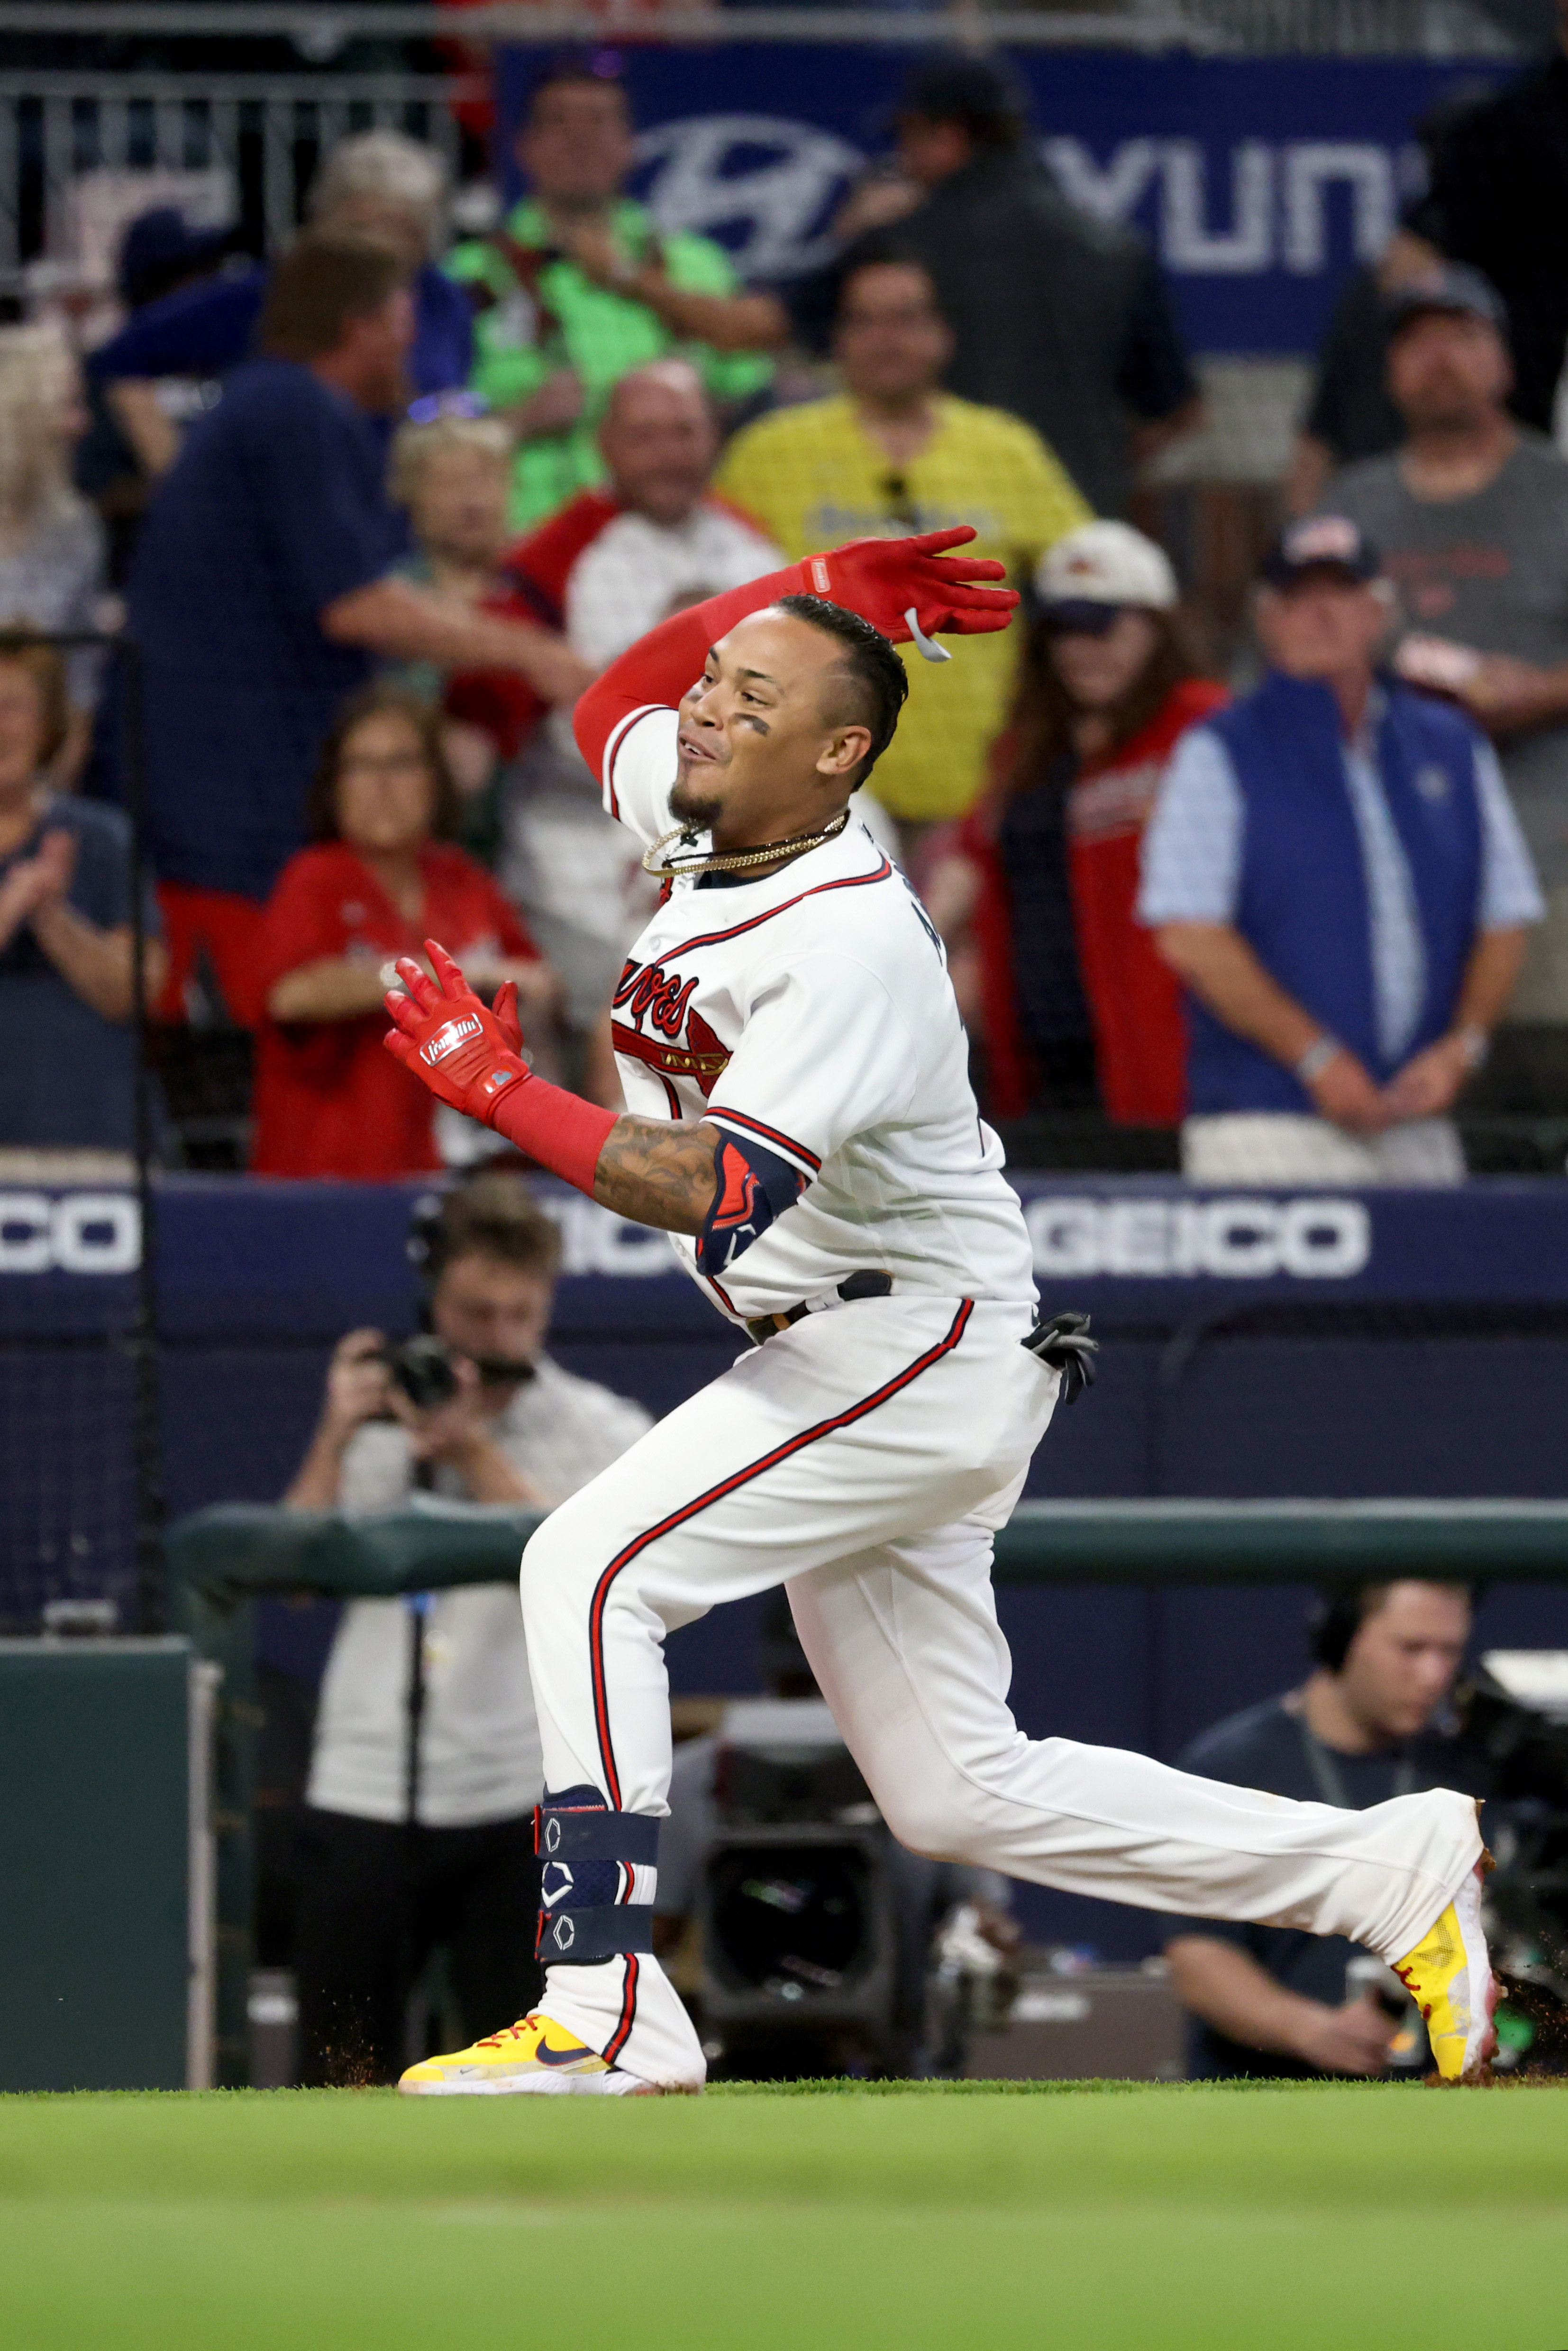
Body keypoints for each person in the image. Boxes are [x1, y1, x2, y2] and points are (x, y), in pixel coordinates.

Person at [379, 521, 1492, 2096]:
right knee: (958, 1790)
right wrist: (808, 585)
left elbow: (717, 1189)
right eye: (712, 684)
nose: (698, 710)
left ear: (838, 756)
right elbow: (602, 705)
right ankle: (1382, 1871)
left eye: (747, 699)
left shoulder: (843, 940)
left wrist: (498, 1089)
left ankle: (609, 2010)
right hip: (879, 1346)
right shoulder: (714, 804)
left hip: (905, 1340)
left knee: (586, 1564)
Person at [126, 231, 588, 1028]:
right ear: (359, 326)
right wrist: (533, 653)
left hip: (224, 778)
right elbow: (357, 604)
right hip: (239, 800)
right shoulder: (296, 408)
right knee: (275, 1019)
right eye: (405, 322)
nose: (415, 344)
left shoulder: (271, 403)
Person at [283, 1171, 652, 2086]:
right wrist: (337, 1434)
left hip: (515, 1799)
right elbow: (292, 1579)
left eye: (514, 1317)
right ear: (433, 1303)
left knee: (513, 2068)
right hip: (363, 1786)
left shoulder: (597, 1426)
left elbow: (600, 1575)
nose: (491, 1339)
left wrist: (468, 1446)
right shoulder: (382, 1415)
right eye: (471, 1313)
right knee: (339, 2068)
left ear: (546, 1307)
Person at [1139, 514, 1542, 1185]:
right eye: (1295, 598)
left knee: (1433, 1290)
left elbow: (1504, 917)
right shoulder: (1220, 749)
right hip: (1263, 1118)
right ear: (1266, 620)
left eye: (1340, 593)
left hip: (1418, 1115)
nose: (1318, 615)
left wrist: (1461, 1051)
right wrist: (1316, 1057)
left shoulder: (1451, 743)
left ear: (1379, 611)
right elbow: (1188, 933)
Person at [715, 255, 1090, 848]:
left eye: (905, 319)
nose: (885, 340)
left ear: (943, 334)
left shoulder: (1005, 450)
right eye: (864, 321)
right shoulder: (767, 454)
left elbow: (1087, 580)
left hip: (974, 796)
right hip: (810, 800)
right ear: (837, 338)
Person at [1324, 264, 1568, 1112]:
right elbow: (1282, 662)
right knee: (1421, 1108)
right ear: (1390, 373)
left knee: (1544, 1083)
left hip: (1550, 859)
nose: (1439, 360)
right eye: (1416, 342)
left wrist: (1536, 692)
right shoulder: (1350, 506)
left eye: (1461, 337)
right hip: (1387, 869)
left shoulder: (1555, 490)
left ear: (1502, 361)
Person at [481, 360, 781, 1048]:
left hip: (735, 847)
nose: (668, 455)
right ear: (605, 445)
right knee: (622, 1033)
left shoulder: (752, 546)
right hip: (581, 858)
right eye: (645, 436)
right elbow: (482, 717)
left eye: (684, 432)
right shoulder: (553, 556)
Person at [780, 55, 1200, 521]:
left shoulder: (896, 245)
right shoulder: (1113, 250)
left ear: (947, 137)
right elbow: (1178, 411)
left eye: (907, 137)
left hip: (951, 533)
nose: (902, 157)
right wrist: (1095, 468)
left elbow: (764, 326)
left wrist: (846, 233)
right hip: (1078, 532)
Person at [930, 521, 1224, 1123]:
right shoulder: (1026, 748)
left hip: (1170, 1057)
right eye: (1062, 632)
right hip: (1039, 1059)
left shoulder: (1204, 727)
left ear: (1156, 627)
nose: (1080, 648)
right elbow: (971, 863)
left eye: (1102, 627)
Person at [1165, 1582, 1486, 2080]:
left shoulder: (1474, 1773)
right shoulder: (1231, 1768)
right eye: (1410, 1648)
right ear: (1341, 1640)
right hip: (1265, 2099)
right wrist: (1308, 2029)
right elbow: (1197, 1952)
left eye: (1449, 1651)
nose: (1433, 1674)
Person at [447, 55, 772, 529]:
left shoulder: (693, 265)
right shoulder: (469, 275)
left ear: (629, 148)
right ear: (524, 148)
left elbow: (746, 395)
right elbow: (426, 421)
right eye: (559, 123)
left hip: (672, 542)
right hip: (526, 541)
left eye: (599, 122)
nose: (580, 140)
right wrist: (515, 420)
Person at [251, 684, 554, 1180]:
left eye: (401, 764)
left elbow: (539, 981)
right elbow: (290, 996)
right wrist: (429, 976)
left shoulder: (464, 880)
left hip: (464, 1170)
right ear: (335, 785)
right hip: (333, 1175)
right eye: (362, 767)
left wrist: (521, 989)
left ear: (435, 780)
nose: (382, 785)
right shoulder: (315, 879)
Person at [87, 131, 474, 405]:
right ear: (324, 225)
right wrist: (167, 463)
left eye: (401, 231)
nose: (379, 247)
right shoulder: (273, 293)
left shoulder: (441, 299)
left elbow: (453, 403)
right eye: (363, 228)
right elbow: (118, 360)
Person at [0, 636, 164, 1153]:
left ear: (48, 723)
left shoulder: (99, 839)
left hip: (93, 1146)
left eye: (12, 707)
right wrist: (11, 909)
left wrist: (52, 917)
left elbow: (140, 990)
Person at [0, 325, 107, 783]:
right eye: (68, 404)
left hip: (39, 772)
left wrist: (49, 798)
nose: (81, 424)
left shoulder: (78, 528)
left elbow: (80, 685)